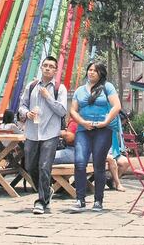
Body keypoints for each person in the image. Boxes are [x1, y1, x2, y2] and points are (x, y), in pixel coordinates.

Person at [18, 55, 69, 215]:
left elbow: (62, 111)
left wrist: (48, 97)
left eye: (51, 66)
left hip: (50, 133)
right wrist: (27, 113)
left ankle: (41, 201)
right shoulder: (31, 86)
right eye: (45, 65)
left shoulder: (59, 88)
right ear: (41, 67)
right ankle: (46, 191)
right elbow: (22, 105)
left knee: (44, 167)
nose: (47, 68)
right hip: (32, 132)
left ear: (55, 70)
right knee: (30, 166)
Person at [69, 62, 121, 212]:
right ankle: (80, 199)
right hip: (83, 129)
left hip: (103, 130)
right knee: (79, 162)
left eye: (95, 71)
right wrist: (82, 123)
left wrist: (106, 121)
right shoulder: (80, 90)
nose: (91, 73)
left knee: (98, 164)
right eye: (90, 70)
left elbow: (116, 106)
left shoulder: (107, 87)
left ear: (101, 73)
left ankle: (98, 200)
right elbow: (73, 110)